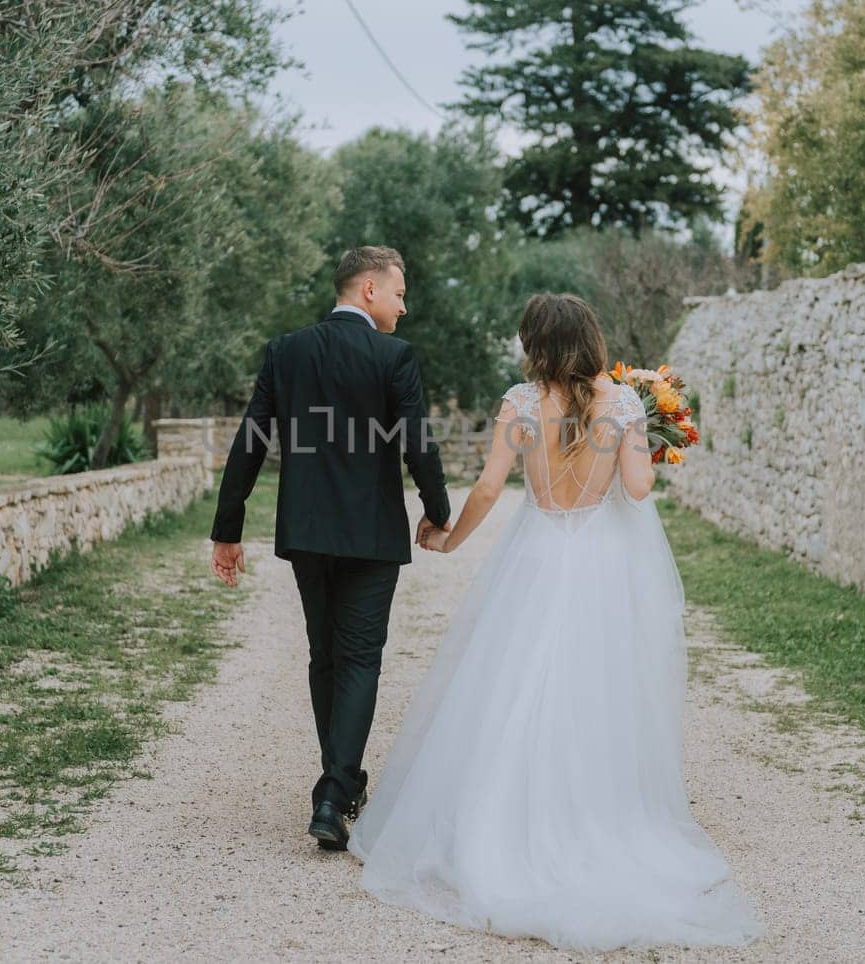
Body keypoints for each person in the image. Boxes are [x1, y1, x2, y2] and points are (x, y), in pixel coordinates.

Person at [347, 292, 766, 952]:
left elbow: (488, 489)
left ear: (536, 343)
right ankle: (592, 814)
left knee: (510, 684)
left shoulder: (520, 403)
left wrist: (451, 541)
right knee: (595, 690)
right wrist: (643, 435)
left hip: (538, 554)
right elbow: (637, 490)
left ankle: (502, 818)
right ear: (591, 339)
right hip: (598, 563)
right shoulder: (623, 403)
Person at [209, 245, 452, 851]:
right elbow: (418, 443)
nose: (404, 304)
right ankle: (335, 793)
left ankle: (339, 785)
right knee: (361, 659)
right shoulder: (394, 356)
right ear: (368, 290)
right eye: (399, 292)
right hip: (371, 537)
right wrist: (437, 511)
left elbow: (251, 442)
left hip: (309, 533)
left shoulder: (285, 352)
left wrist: (228, 528)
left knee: (326, 656)